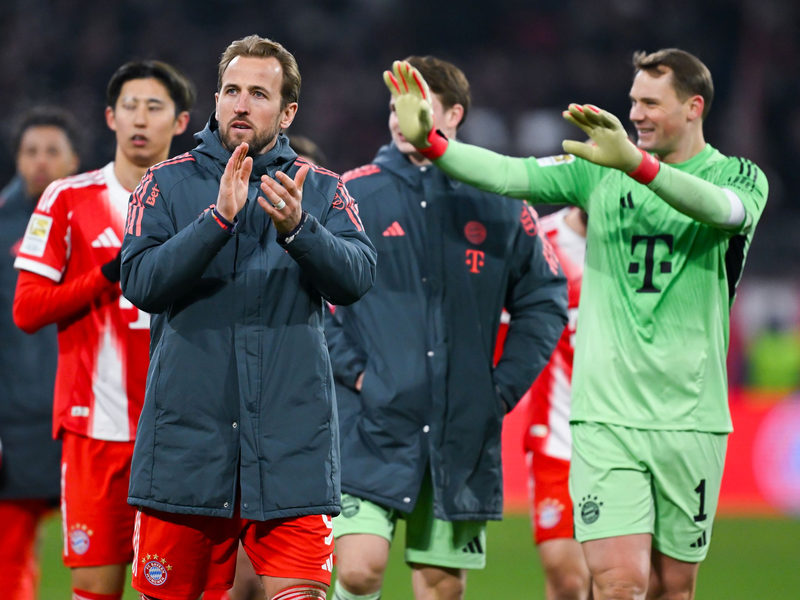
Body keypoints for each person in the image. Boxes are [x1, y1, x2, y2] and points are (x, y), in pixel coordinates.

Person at [387, 48, 769, 599]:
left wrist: (638, 167)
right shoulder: (598, 173)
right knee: (618, 583)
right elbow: (508, 173)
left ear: (693, 107)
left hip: (691, 418)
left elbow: (724, 212)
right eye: (633, 100)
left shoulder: (739, 175)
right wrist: (434, 145)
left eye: (650, 103)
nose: (634, 114)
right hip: (605, 419)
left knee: (673, 587)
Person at [120, 35, 376, 600]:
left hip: (291, 455)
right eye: (231, 91)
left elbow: (357, 277)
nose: (241, 104)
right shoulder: (165, 184)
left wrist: (300, 231)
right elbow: (139, 282)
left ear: (286, 112)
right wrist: (216, 221)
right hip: (187, 452)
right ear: (215, 99)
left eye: (258, 94)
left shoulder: (323, 190)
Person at [326, 55, 568, 600]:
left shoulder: (500, 199)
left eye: (416, 106)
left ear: (454, 113)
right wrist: (357, 373)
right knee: (359, 568)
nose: (399, 118)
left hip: (459, 433)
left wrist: (501, 389)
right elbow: (307, 294)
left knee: (441, 586)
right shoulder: (351, 195)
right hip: (370, 423)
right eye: (393, 106)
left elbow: (545, 298)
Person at [13, 62, 194, 600]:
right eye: (131, 106)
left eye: (155, 107)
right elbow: (27, 310)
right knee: (94, 588)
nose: (141, 118)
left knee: (169, 587)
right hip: (96, 431)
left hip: (180, 433)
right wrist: (109, 273)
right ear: (111, 117)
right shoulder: (66, 200)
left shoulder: (204, 202)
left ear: (181, 120)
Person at [0, 106, 80, 600]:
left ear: (74, 159)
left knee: (116, 549)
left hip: (84, 414)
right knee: (9, 551)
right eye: (31, 152)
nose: (41, 162)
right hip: (15, 421)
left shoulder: (101, 220)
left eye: (53, 151)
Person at [496, 207, 589, 600]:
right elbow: (501, 328)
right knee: (567, 579)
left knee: (622, 579)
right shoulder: (539, 240)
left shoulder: (641, 241)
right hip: (557, 435)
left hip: (628, 433)